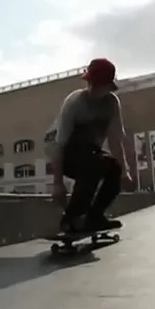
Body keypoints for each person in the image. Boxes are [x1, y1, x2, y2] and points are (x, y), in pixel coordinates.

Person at [44, 58, 133, 234]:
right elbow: (58, 144)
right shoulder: (75, 102)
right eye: (90, 83)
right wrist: (57, 183)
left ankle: (95, 216)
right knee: (92, 163)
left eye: (97, 85)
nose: (92, 89)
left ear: (108, 86)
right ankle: (71, 219)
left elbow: (115, 140)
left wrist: (125, 171)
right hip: (63, 152)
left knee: (113, 168)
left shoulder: (112, 104)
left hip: (91, 153)